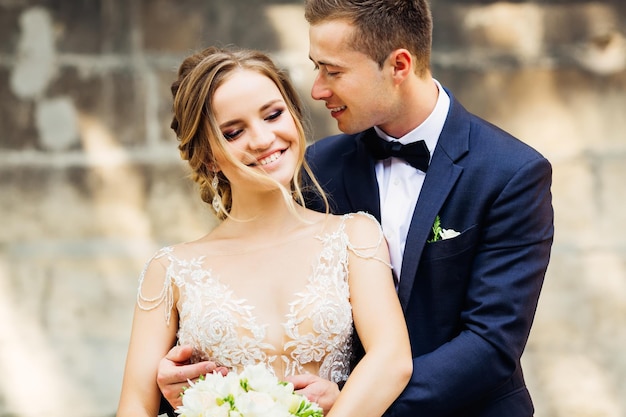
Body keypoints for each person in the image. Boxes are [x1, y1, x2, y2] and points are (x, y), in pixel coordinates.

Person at [157, 1, 554, 416]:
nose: (317, 90)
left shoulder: (511, 173)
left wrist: (354, 402)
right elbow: (261, 312)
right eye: (316, 68)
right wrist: (187, 386)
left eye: (334, 71)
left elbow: (490, 344)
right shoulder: (311, 169)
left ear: (398, 65)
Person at [115, 46, 412, 417]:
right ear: (209, 155)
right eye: (234, 132)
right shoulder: (171, 270)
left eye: (273, 115)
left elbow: (392, 360)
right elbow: (134, 408)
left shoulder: (355, 237)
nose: (262, 139)